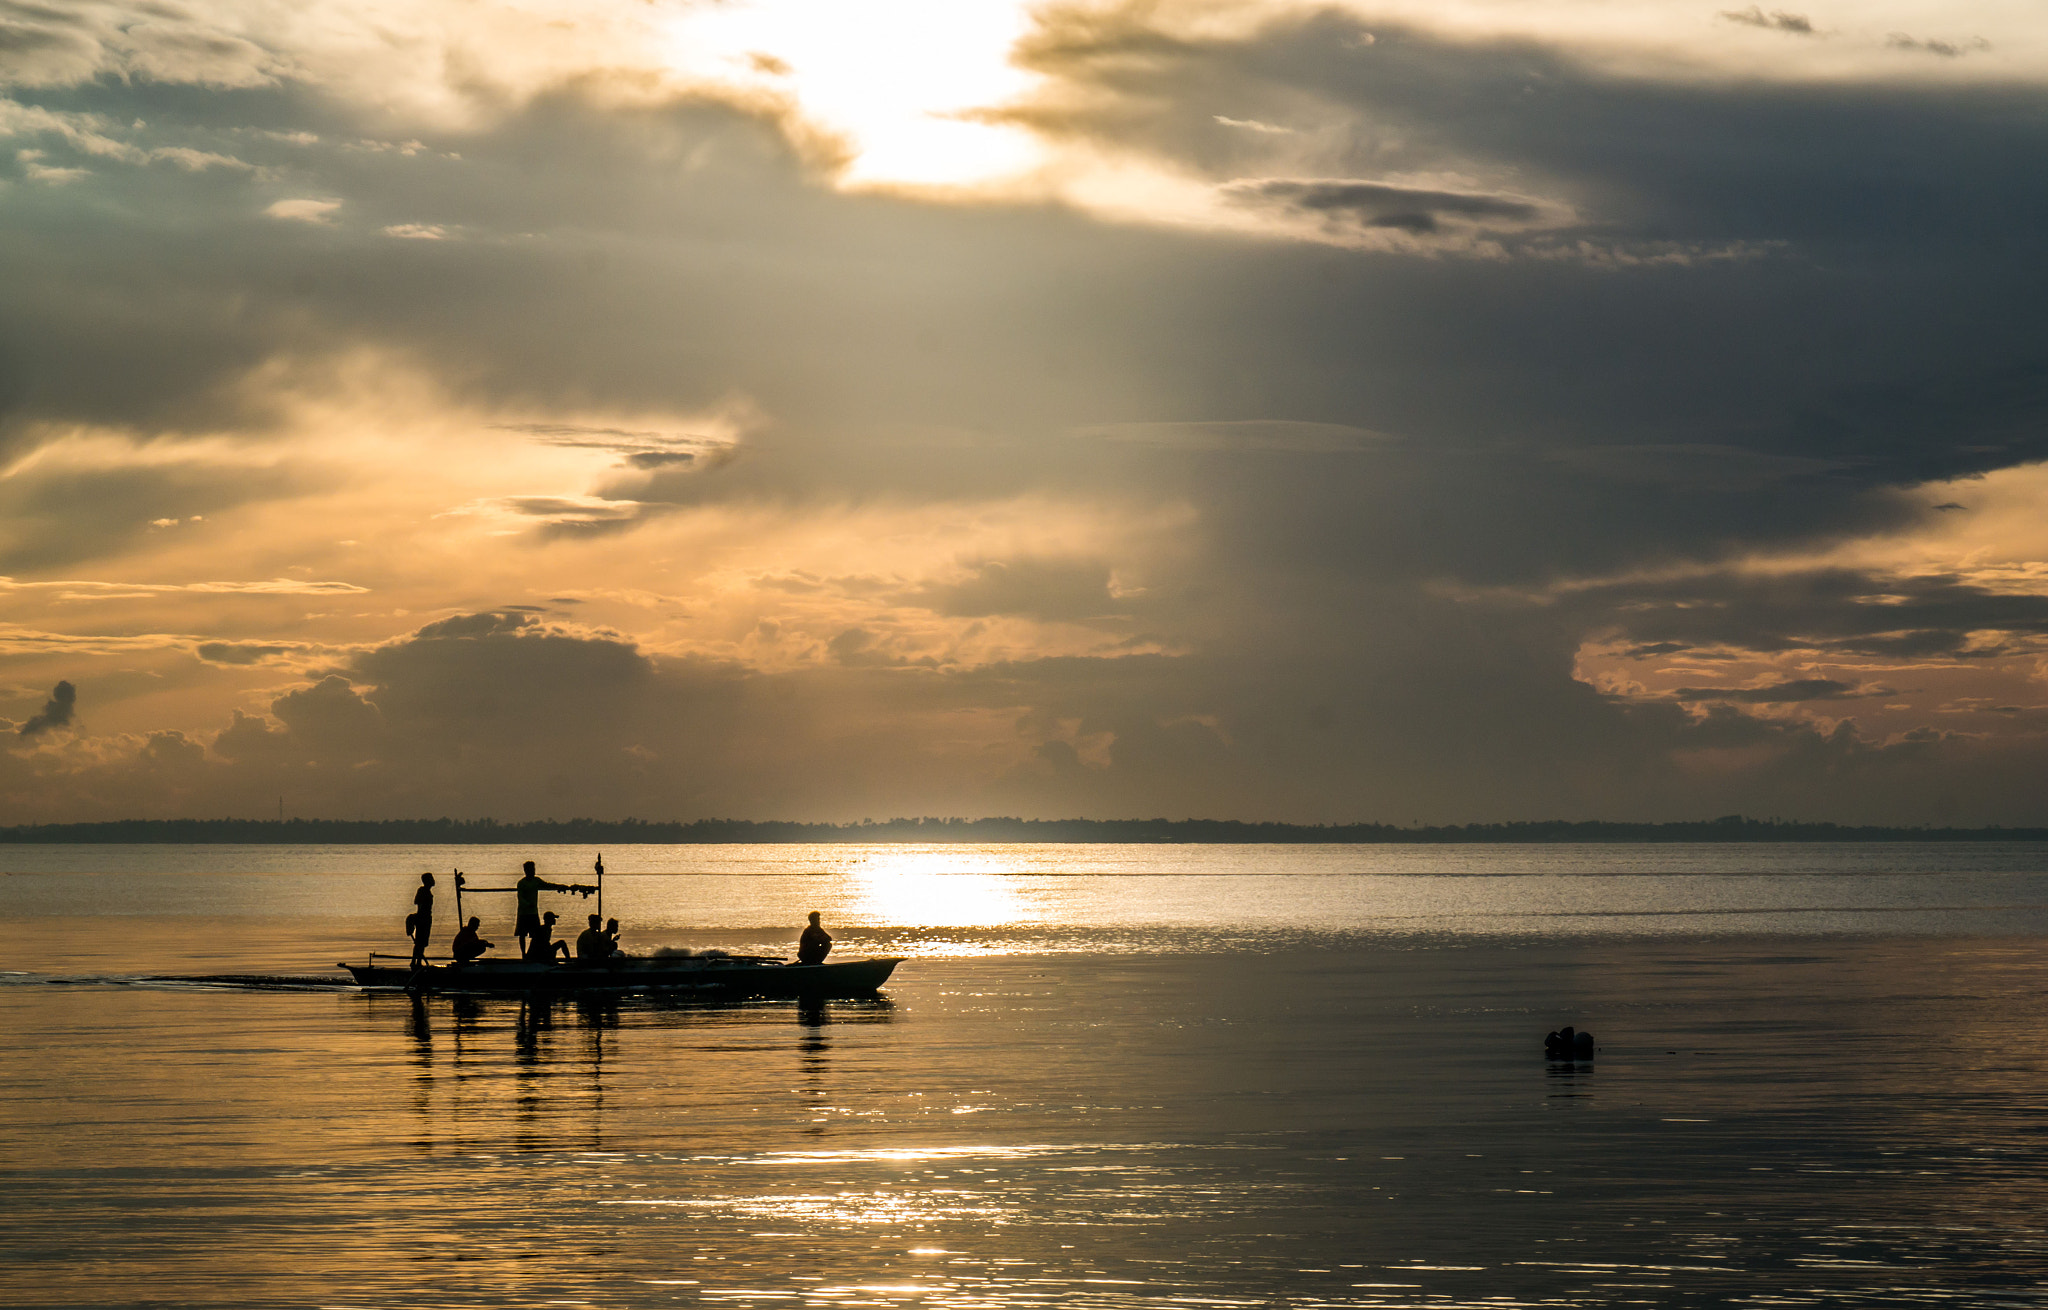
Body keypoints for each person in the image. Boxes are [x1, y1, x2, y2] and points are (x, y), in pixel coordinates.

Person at [407, 872, 435, 966]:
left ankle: (417, 962)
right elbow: (418, 903)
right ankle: (415, 962)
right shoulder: (423, 891)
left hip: (426, 919)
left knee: (422, 943)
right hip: (423, 919)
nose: (433, 880)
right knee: (420, 942)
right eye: (431, 878)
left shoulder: (427, 891)